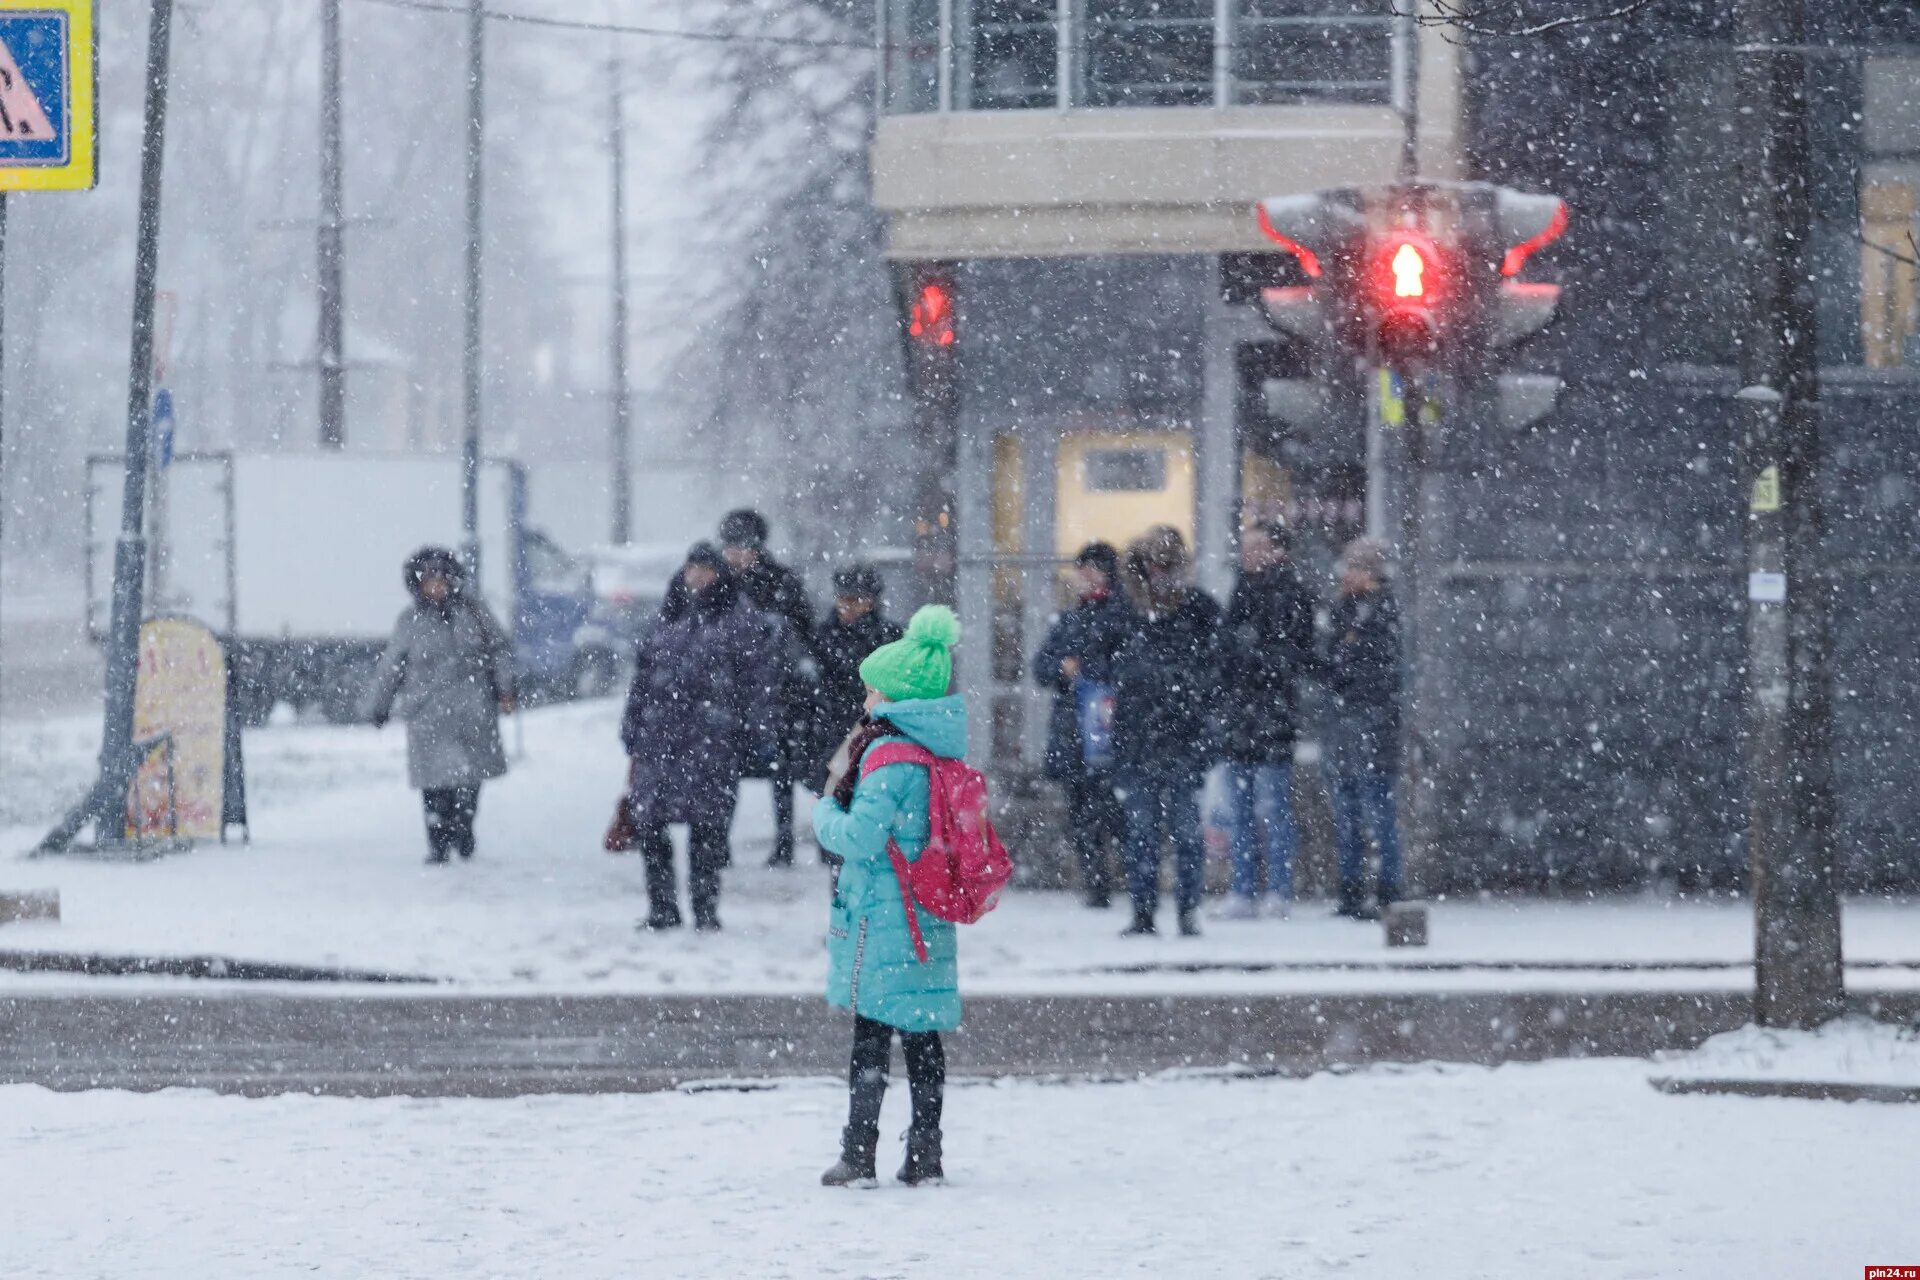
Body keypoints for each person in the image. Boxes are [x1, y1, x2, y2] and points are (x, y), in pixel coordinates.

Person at [812, 606, 965, 1188]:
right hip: (927, 913)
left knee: (871, 1038)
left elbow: (859, 836)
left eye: (874, 687)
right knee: (923, 1036)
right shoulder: (938, 751)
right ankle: (926, 1153)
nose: (867, 697)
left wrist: (825, 810)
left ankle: (858, 1154)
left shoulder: (887, 758)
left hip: (884, 916)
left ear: (896, 696)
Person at [619, 542, 780, 931]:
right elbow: (643, 677)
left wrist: (751, 730)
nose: (698, 577)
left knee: (707, 829)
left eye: (706, 569)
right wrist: (633, 724)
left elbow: (756, 682)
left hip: (711, 741)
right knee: (651, 825)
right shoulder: (667, 615)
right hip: (662, 738)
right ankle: (662, 908)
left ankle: (705, 909)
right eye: (693, 568)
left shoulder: (739, 620)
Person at [363, 547, 516, 864]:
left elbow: (499, 649)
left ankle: (464, 827)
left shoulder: (474, 612)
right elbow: (392, 666)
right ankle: (438, 842)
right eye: (428, 579)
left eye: (440, 578)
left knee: (470, 780)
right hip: (429, 716)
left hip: (473, 713)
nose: (436, 586)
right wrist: (379, 705)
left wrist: (506, 688)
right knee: (434, 785)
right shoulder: (409, 622)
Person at [1111, 526, 1221, 938]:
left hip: (1180, 737)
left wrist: (1190, 696)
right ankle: (1145, 911)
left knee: (1184, 833)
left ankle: (1186, 910)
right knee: (1143, 833)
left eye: (1166, 566)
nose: (1160, 575)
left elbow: (1218, 670)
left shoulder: (1199, 610)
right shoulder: (1129, 612)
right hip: (1142, 737)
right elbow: (1103, 657)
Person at [1216, 519, 1318, 919]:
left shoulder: (1292, 596)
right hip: (1242, 715)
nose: (1248, 554)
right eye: (1246, 546)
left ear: (1279, 552)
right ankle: (1243, 889)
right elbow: (1227, 651)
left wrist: (1253, 658)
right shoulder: (1239, 591)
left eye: (1257, 546)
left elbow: (1295, 655)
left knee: (1274, 808)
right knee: (1240, 808)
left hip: (1272, 716)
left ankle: (1278, 889)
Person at [1031, 542, 1136, 908]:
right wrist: (1062, 670)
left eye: (1089, 570)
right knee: (1081, 809)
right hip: (1074, 729)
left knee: (1113, 807)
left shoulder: (1124, 614)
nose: (1082, 578)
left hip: (1109, 729)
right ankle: (1097, 883)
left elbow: (1128, 664)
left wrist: (1090, 671)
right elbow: (1041, 666)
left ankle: (1129, 879)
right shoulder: (1071, 618)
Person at [718, 508, 816, 867]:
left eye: (741, 546)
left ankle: (784, 841)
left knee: (781, 772)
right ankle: (719, 843)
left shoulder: (781, 583)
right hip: (733, 696)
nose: (735, 554)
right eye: (729, 547)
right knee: (725, 772)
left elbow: (803, 635)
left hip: (777, 695)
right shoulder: (721, 585)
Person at [1323, 537, 1403, 920]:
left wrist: (1346, 659)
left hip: (1372, 720)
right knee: (1349, 809)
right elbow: (1332, 659)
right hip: (1347, 720)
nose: (1346, 575)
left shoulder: (1382, 610)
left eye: (1354, 567)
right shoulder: (1343, 609)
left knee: (1376, 809)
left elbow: (1370, 666)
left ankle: (1389, 890)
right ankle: (1351, 890)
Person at [810, 563, 903, 782]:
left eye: (856, 600)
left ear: (871, 602)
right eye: (843, 599)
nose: (847, 607)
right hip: (831, 730)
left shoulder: (888, 637)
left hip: (872, 730)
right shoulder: (823, 636)